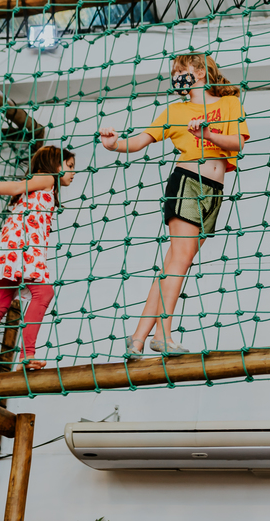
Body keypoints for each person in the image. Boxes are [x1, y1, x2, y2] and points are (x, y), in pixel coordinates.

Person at [100, 53, 249, 357]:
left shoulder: (229, 103)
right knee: (179, 261)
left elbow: (239, 143)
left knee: (173, 265)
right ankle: (163, 334)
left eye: (182, 70)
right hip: (187, 183)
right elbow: (140, 140)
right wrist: (115, 144)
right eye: (174, 72)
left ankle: (138, 339)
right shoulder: (175, 111)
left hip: (215, 192)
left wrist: (207, 132)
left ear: (202, 73)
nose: (177, 76)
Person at [0, 145, 76, 376]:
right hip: (20, 248)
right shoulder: (47, 178)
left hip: (10, 249)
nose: (73, 173)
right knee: (43, 293)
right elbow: (16, 186)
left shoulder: (45, 186)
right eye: (70, 167)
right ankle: (27, 355)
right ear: (55, 165)